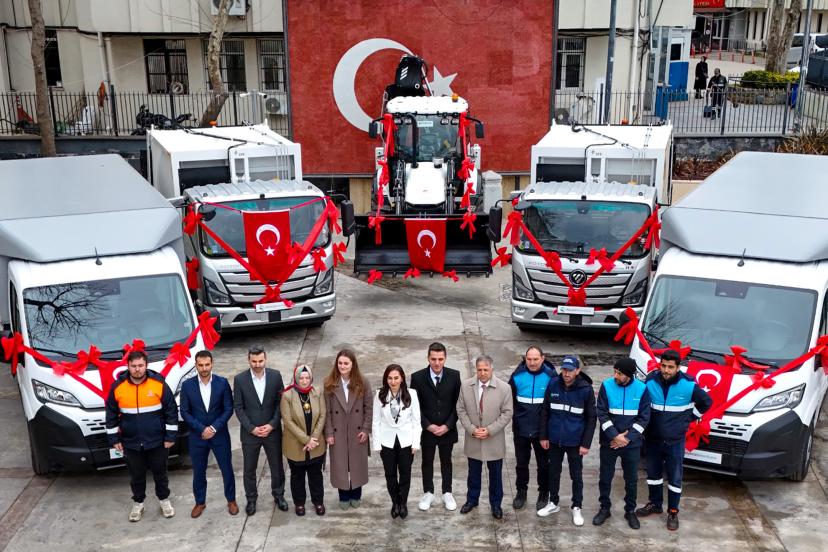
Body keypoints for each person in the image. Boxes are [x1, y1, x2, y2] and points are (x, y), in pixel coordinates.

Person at [636, 349, 712, 531]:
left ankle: (673, 511)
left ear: (678, 368)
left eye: (670, 367)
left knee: (674, 478)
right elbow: (643, 404)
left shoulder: (688, 385)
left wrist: (689, 418)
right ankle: (655, 504)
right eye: (663, 366)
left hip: (675, 441)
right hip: (653, 439)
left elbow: (706, 402)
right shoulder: (650, 381)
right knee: (653, 475)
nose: (666, 370)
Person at [105, 350, 178, 522]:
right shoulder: (118, 387)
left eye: (140, 365)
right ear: (128, 366)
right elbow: (111, 414)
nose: (137, 369)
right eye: (133, 366)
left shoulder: (158, 384)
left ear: (146, 365)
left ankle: (164, 500)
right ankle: (138, 503)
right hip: (131, 442)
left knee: (160, 473)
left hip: (157, 441)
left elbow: (171, 411)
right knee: (136, 476)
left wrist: (170, 437)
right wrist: (114, 439)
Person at [538, 355, 596, 527]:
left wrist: (585, 444)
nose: (566, 373)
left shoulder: (586, 390)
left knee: (576, 476)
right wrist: (543, 436)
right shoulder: (553, 384)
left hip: (575, 442)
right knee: (553, 472)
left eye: (570, 370)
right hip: (555, 440)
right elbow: (545, 411)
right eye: (564, 369)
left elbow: (591, 419)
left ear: (577, 371)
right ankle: (553, 503)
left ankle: (577, 506)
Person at [593, 358, 651, 529]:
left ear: (629, 375)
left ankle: (630, 511)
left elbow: (644, 417)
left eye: (619, 373)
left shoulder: (642, 389)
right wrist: (614, 436)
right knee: (605, 477)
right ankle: (604, 508)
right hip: (609, 442)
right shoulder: (606, 385)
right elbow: (601, 412)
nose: (615, 376)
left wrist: (627, 438)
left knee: (631, 479)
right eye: (615, 372)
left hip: (631, 444)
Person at [179, 350, 238, 518]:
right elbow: (185, 412)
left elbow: (228, 409)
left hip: (219, 436)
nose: (204, 368)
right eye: (201, 365)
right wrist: (202, 429)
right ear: (196, 365)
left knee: (227, 469)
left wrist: (213, 428)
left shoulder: (222, 383)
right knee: (199, 471)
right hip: (197, 437)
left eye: (207, 364)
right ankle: (200, 502)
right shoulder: (187, 385)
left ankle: (231, 500)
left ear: (212, 364)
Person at [457, 355, 514, 520]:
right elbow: (461, 409)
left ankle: (496, 504)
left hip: (493, 439)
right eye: (479, 370)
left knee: (495, 474)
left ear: (492, 369)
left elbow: (507, 413)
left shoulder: (504, 388)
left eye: (485, 370)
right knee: (473, 472)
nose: (482, 373)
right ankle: (472, 500)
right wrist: (471, 429)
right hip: (473, 438)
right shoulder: (466, 386)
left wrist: (489, 430)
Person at [233, 345, 288, 516]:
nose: (257, 364)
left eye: (260, 361)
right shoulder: (240, 380)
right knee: (249, 469)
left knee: (277, 467)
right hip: (250, 434)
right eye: (254, 361)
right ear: (248, 360)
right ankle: (251, 499)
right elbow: (238, 407)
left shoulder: (275, 376)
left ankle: (279, 495)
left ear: (266, 359)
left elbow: (281, 403)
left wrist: (272, 425)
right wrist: (252, 428)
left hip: (272, 432)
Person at [409, 342, 461, 512]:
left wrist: (448, 425)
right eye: (433, 359)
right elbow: (415, 406)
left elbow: (458, 404)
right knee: (427, 461)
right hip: (427, 430)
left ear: (445, 358)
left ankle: (447, 492)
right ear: (428, 358)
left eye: (440, 359)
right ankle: (428, 492)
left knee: (447, 461)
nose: (437, 363)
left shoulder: (454, 376)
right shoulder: (417, 377)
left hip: (447, 429)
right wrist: (427, 426)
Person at [508, 345, 557, 511]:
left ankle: (544, 492)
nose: (532, 362)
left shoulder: (551, 377)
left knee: (543, 465)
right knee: (521, 464)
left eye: (536, 359)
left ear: (543, 358)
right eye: (529, 359)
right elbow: (508, 401)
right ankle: (521, 492)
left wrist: (547, 432)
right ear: (525, 359)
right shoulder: (517, 376)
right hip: (520, 429)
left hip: (542, 432)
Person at [323, 349, 372, 510]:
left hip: (357, 431)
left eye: (346, 363)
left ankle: (356, 495)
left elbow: (368, 407)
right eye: (340, 363)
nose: (342, 366)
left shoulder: (363, 382)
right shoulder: (329, 383)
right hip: (338, 432)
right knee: (340, 465)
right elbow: (327, 411)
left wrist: (366, 429)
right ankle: (343, 496)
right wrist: (329, 432)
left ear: (353, 364)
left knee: (357, 464)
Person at [373, 364, 421, 519]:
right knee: (390, 474)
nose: (393, 382)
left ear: (402, 379)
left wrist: (415, 443)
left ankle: (403, 503)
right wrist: (377, 444)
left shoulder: (411, 394)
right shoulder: (379, 395)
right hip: (387, 442)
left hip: (406, 442)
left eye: (396, 378)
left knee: (405, 474)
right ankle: (395, 502)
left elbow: (416, 421)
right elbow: (376, 421)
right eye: (389, 378)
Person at [281, 364, 327, 516]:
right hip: (295, 445)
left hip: (316, 444)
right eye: (301, 378)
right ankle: (299, 503)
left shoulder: (318, 392)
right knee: (297, 476)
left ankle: (318, 502)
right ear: (296, 378)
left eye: (307, 378)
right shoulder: (287, 396)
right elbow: (288, 421)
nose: (305, 381)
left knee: (316, 475)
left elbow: (322, 415)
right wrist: (307, 440)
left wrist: (313, 439)